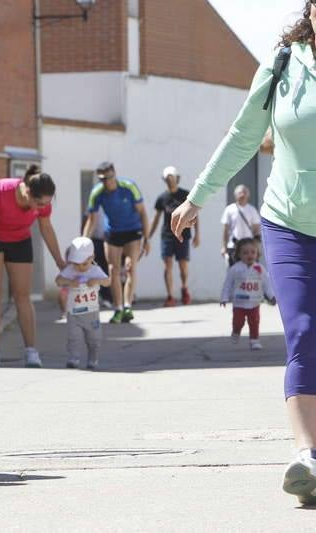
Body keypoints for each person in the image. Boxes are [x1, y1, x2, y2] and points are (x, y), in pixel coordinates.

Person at [170, 1, 316, 505]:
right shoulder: (282, 66)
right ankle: (308, 455)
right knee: (303, 330)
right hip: (290, 222)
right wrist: (198, 196)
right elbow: (243, 137)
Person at [0, 165, 65, 368]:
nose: (40, 208)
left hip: (19, 240)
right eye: (38, 203)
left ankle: (31, 351)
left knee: (22, 295)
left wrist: (59, 261)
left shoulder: (42, 201)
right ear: (27, 191)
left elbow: (46, 228)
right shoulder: (0, 192)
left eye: (45, 204)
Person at [83, 162, 150, 324]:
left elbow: (143, 213)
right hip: (112, 232)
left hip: (133, 231)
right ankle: (118, 308)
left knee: (130, 267)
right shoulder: (97, 193)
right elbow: (92, 220)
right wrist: (84, 244)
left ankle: (128, 306)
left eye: (109, 178)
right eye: (102, 179)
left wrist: (147, 239)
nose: (106, 182)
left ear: (114, 174)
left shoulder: (129, 186)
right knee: (113, 270)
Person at [148, 166, 200, 306]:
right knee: (168, 265)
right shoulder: (162, 198)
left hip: (183, 234)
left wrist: (197, 234)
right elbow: (156, 218)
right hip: (167, 235)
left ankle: (184, 288)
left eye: (172, 177)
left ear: (177, 178)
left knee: (183, 265)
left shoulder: (186, 195)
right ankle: (170, 296)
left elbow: (194, 213)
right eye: (167, 178)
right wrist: (148, 237)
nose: (170, 180)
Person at [56, 237, 110, 369]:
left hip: (91, 313)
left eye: (84, 264)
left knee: (94, 339)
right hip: (74, 313)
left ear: (92, 257)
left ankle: (93, 358)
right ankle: (73, 358)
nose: (80, 267)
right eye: (76, 264)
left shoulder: (95, 270)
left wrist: (97, 280)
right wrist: (69, 282)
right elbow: (58, 280)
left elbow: (107, 282)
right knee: (73, 337)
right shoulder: (70, 270)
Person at [220, 238, 275, 350]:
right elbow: (227, 284)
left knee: (254, 322)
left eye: (252, 252)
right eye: (245, 253)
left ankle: (254, 340)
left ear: (257, 253)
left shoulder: (260, 269)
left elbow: (266, 284)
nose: (249, 255)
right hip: (239, 303)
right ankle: (236, 331)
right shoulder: (235, 269)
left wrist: (272, 296)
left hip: (254, 302)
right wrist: (224, 297)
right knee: (238, 321)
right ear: (239, 254)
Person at [221, 184, 261, 266]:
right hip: (234, 246)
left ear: (248, 195)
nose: (242, 195)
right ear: (236, 195)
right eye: (240, 193)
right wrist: (224, 247)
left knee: (250, 273)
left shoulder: (252, 210)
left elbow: (256, 230)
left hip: (249, 247)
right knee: (234, 271)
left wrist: (257, 247)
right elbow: (226, 230)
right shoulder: (229, 209)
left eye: (244, 192)